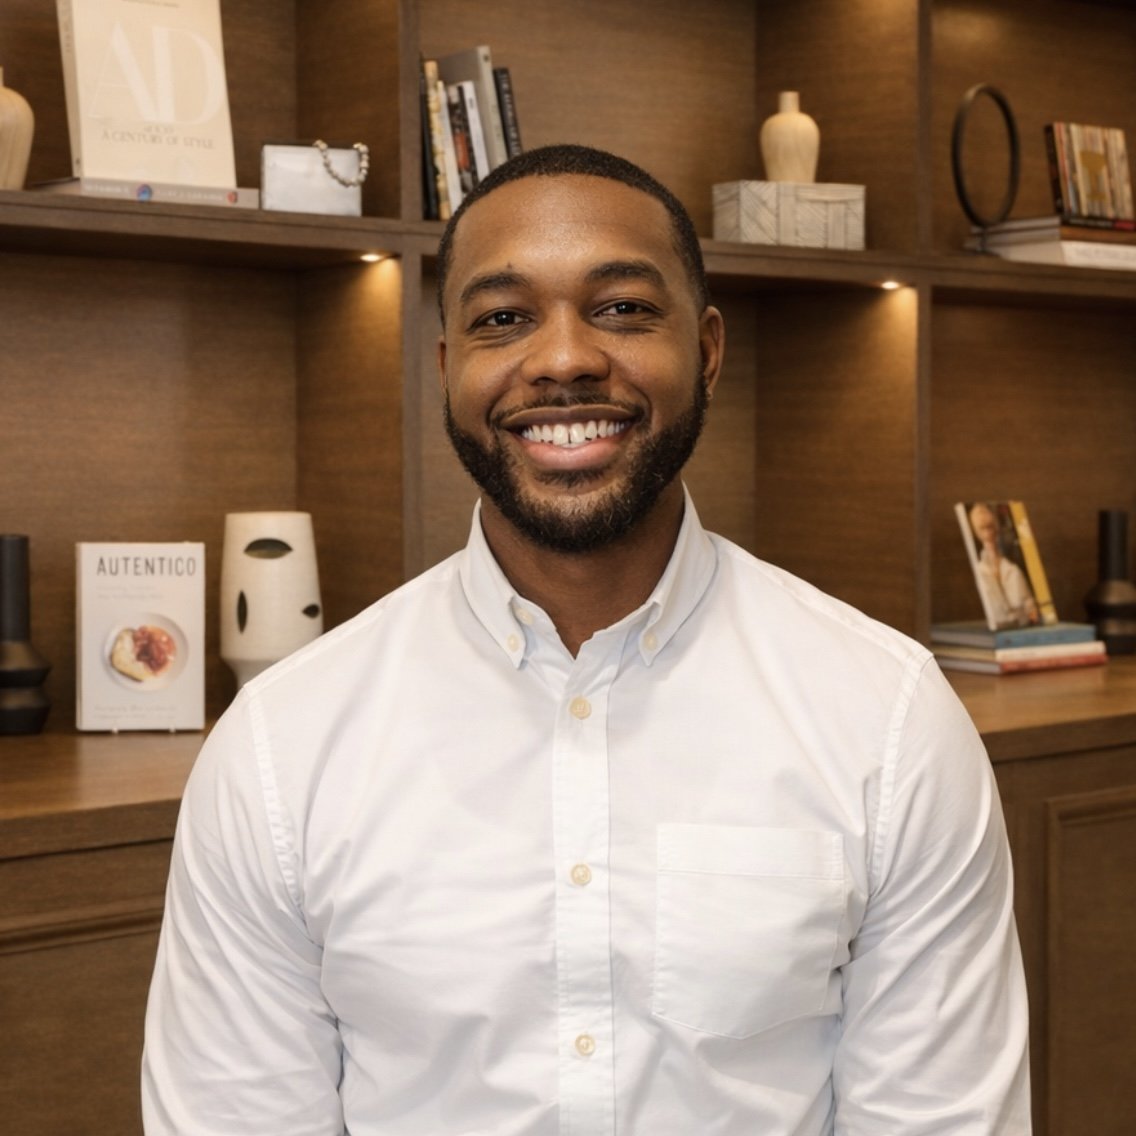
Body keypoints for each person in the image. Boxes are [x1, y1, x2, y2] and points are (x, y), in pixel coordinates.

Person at [142, 145, 1031, 1134]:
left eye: (619, 309)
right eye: (502, 318)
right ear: (448, 369)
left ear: (704, 349)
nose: (562, 358)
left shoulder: (889, 721)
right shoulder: (280, 748)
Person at [967, 501, 1040, 628]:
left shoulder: (1013, 569)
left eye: (990, 527)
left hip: (1022, 624)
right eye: (983, 528)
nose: (988, 533)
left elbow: (1029, 605)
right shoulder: (980, 570)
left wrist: (1033, 616)